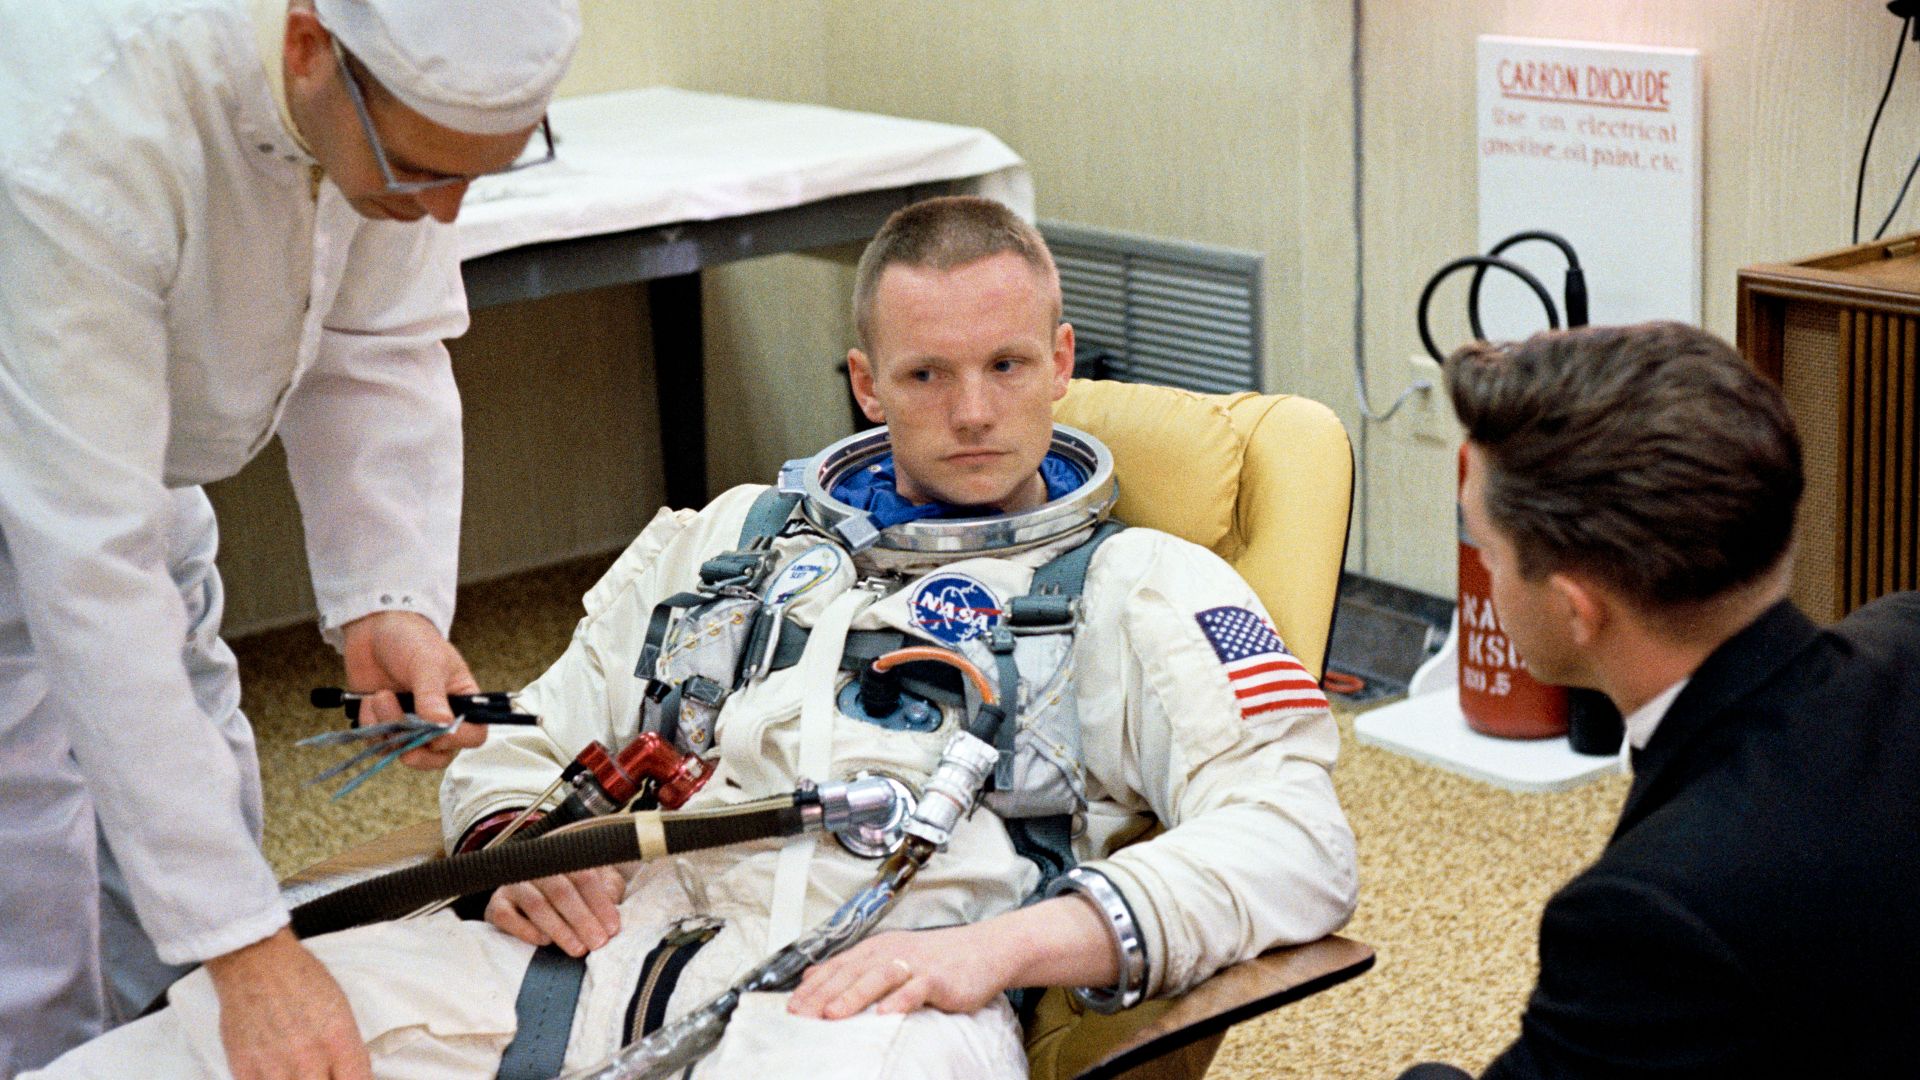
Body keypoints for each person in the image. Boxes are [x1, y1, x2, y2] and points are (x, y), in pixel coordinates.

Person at [29, 195, 1360, 1079]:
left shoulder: (1142, 587)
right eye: (924, 374)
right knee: (192, 1043)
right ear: (862, 383)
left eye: (1007, 366)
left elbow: (1296, 843)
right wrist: (511, 844)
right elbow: (536, 729)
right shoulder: (726, 537)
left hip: (876, 1003)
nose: (970, 411)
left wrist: (996, 955)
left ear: (1063, 360)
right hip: (590, 953)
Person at [0, 0, 580, 1076]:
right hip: (40, 477)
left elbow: (378, 341)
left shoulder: (378, 100)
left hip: (134, 470)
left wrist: (387, 601)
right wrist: (245, 948)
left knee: (192, 808)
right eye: (422, 169)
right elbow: (89, 568)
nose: (443, 209)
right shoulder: (82, 134)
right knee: (23, 890)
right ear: (309, 46)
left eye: (479, 174)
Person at [1398, 322, 1920, 1078]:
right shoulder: (1907, 631)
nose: (1483, 568)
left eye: (1488, 547)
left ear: (1577, 608)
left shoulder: (1648, 917)